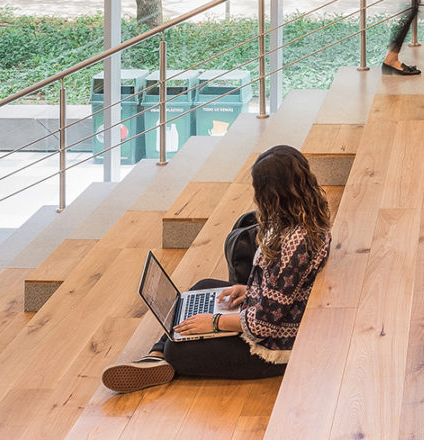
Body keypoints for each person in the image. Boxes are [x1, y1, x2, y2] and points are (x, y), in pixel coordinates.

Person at [102, 145, 332, 391]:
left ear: (273, 194)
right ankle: (156, 357)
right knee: (201, 289)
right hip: (276, 312)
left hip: (274, 344)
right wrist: (250, 290)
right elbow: (286, 287)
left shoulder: (296, 242)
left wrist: (215, 322)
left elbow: (265, 324)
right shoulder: (308, 213)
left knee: (178, 350)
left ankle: (160, 355)